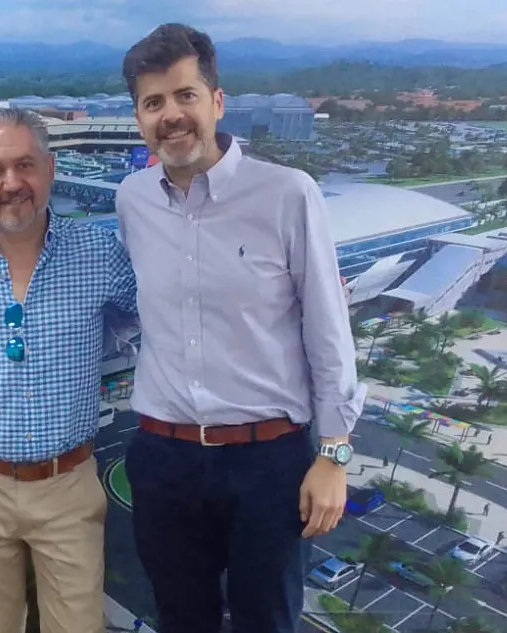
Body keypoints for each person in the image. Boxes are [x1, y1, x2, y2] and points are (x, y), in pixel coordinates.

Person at [115, 24, 367, 633]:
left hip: (268, 462)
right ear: (139, 117)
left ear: (217, 101)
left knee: (267, 621)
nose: (171, 115)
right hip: (163, 455)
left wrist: (334, 452)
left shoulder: (286, 194)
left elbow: (327, 329)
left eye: (185, 95)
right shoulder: (132, 199)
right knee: (180, 619)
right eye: (153, 103)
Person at [0, 107, 138, 633]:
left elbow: (155, 314)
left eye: (25, 165)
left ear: (50, 169)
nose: (11, 183)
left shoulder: (99, 254)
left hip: (68, 482)